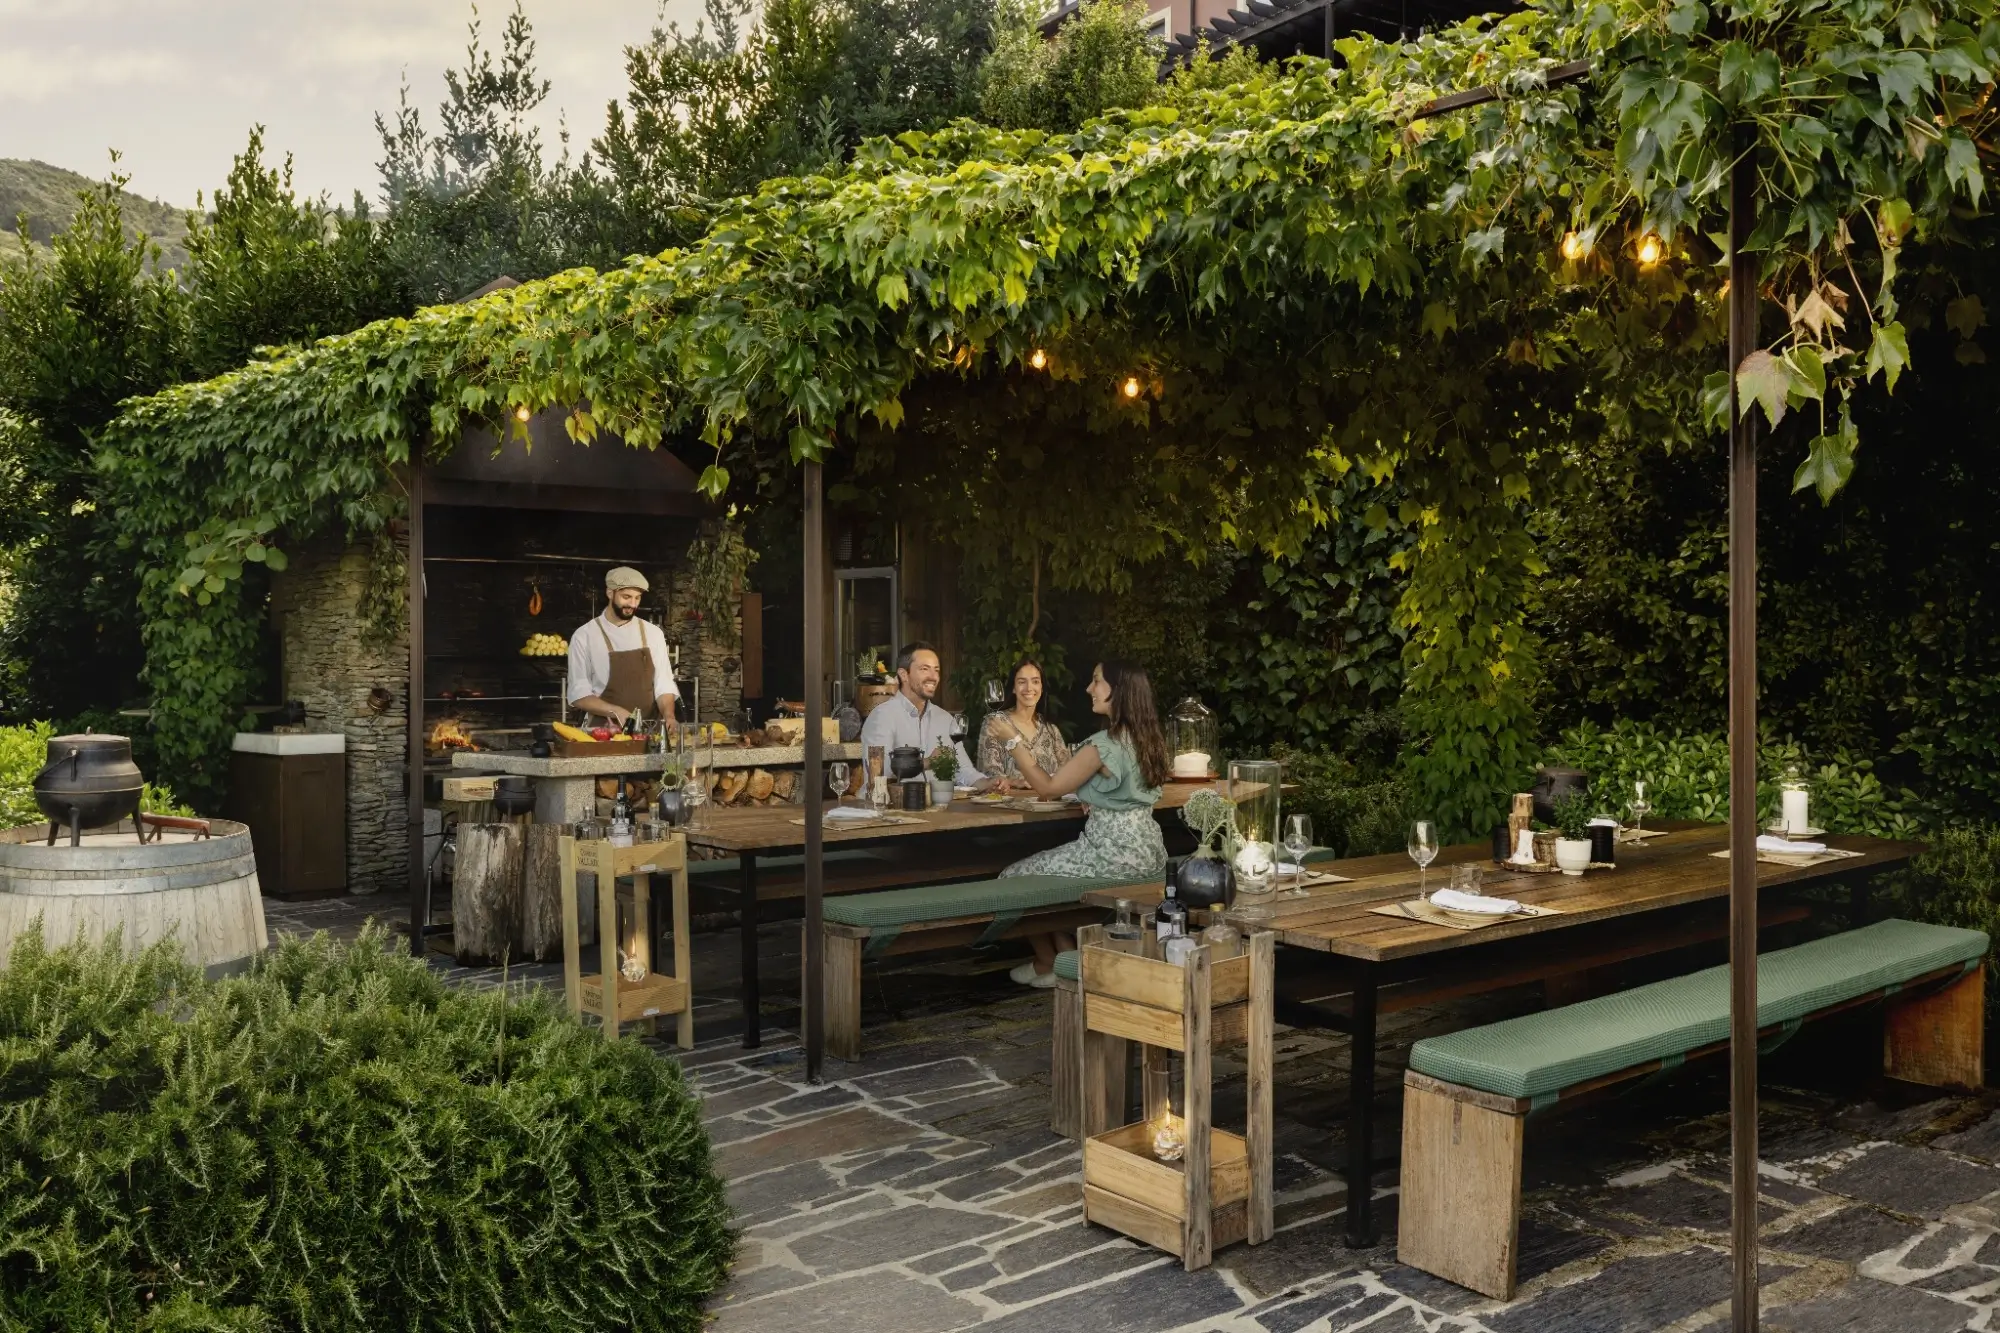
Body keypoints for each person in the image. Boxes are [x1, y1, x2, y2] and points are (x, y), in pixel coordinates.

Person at [992, 660, 1170, 986]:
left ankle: (1051, 960)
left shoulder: (1103, 744)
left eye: (1096, 680)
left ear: (1118, 691)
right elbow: (1124, 789)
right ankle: (1060, 957)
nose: (1089, 688)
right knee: (1051, 874)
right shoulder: (1150, 740)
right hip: (1149, 853)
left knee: (1011, 877)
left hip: (1110, 855)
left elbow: (1048, 789)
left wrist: (1012, 742)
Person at [858, 642, 989, 788]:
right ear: (903, 675)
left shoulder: (946, 719)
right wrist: (927, 762)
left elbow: (964, 771)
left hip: (937, 807)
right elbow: (881, 772)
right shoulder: (882, 717)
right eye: (924, 669)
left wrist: (988, 783)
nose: (933, 677)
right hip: (890, 807)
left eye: (936, 670)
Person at [566, 567, 679, 729]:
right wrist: (616, 711)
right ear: (610, 593)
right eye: (626, 597)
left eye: (637, 598)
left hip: (649, 729)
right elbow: (579, 694)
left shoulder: (653, 633)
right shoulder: (584, 636)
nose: (633, 604)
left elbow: (664, 683)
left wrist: (669, 716)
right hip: (603, 730)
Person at [978, 656, 1070, 785]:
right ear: (1014, 688)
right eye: (1022, 682)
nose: (1029, 688)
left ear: (1042, 688)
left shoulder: (1051, 730)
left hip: (1050, 804)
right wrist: (1016, 782)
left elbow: (1068, 774)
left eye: (1035, 681)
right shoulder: (996, 723)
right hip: (1009, 803)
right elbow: (990, 775)